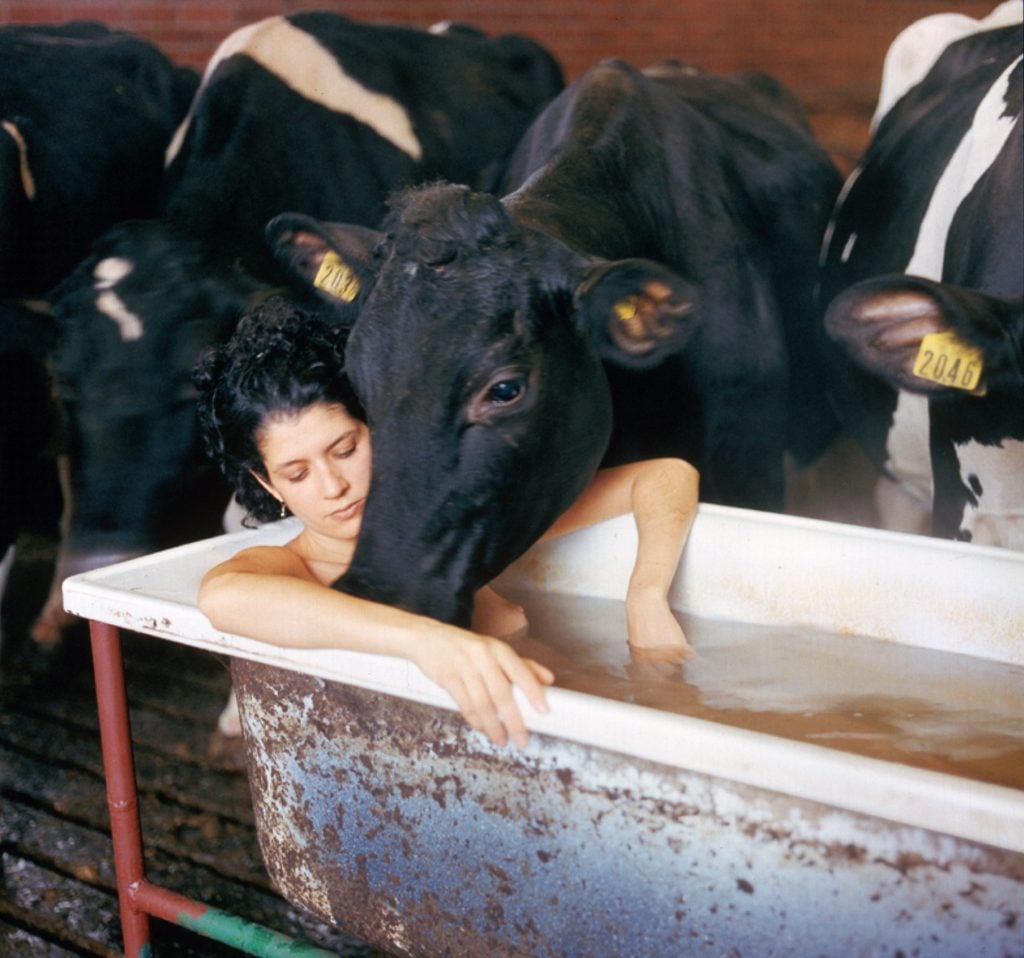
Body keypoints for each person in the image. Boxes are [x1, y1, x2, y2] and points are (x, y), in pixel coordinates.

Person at [195, 296, 699, 748]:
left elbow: (663, 478)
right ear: (268, 485)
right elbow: (224, 596)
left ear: (382, 426)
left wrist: (646, 596)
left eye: (345, 449)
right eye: (297, 473)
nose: (333, 486)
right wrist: (424, 640)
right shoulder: (294, 569)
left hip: (594, 726)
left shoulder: (458, 525)